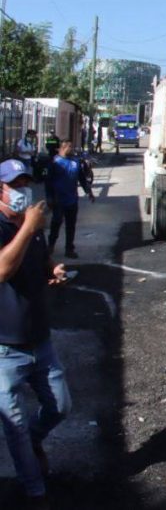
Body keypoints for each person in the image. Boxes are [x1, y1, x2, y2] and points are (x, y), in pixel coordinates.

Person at [0, 158, 72, 507]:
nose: (22, 191)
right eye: (15, 185)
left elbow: (43, 262)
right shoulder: (11, 226)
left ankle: (34, 439)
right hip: (4, 349)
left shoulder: (36, 227)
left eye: (25, 183)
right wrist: (28, 227)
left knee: (60, 405)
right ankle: (35, 492)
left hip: (40, 340)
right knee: (12, 426)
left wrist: (53, 271)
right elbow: (2, 269)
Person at [45, 140, 94, 259]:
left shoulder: (75, 162)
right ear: (63, 148)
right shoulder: (54, 162)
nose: (72, 149)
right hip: (58, 199)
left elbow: (82, 179)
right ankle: (50, 246)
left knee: (70, 225)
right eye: (70, 147)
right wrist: (49, 198)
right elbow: (48, 182)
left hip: (72, 199)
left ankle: (69, 249)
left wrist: (89, 192)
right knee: (56, 223)